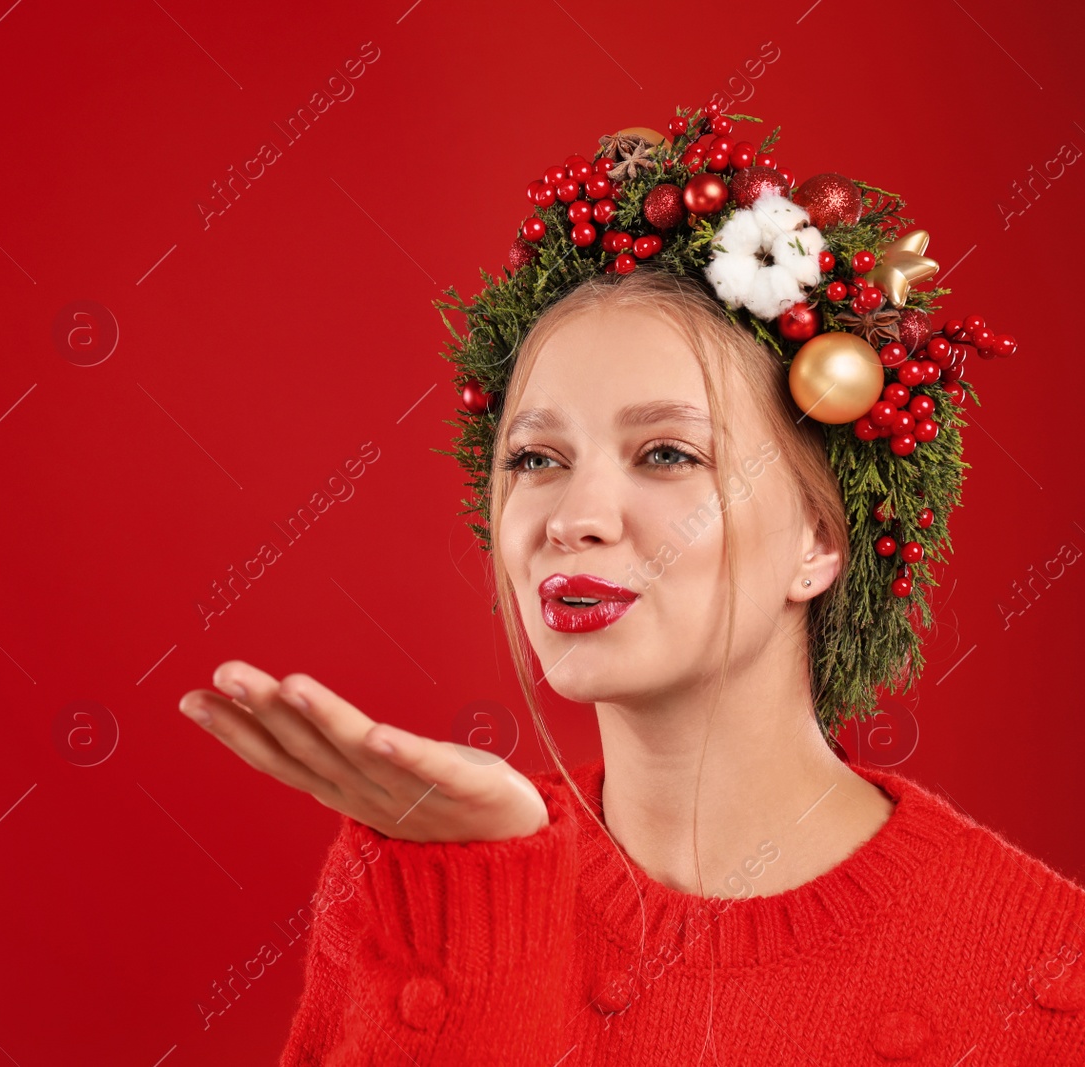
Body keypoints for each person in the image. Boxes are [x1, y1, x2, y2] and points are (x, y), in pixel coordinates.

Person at [176, 107, 1085, 1064]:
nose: (574, 515)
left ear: (819, 540)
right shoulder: (423, 865)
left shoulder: (1043, 974)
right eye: (535, 457)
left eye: (664, 452)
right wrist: (478, 896)